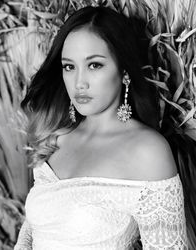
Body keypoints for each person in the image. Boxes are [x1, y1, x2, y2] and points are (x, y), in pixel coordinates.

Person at [14, 6, 191, 250]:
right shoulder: (55, 137)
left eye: (94, 65)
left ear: (124, 70)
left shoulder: (148, 151)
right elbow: (31, 232)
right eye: (69, 67)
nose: (79, 83)